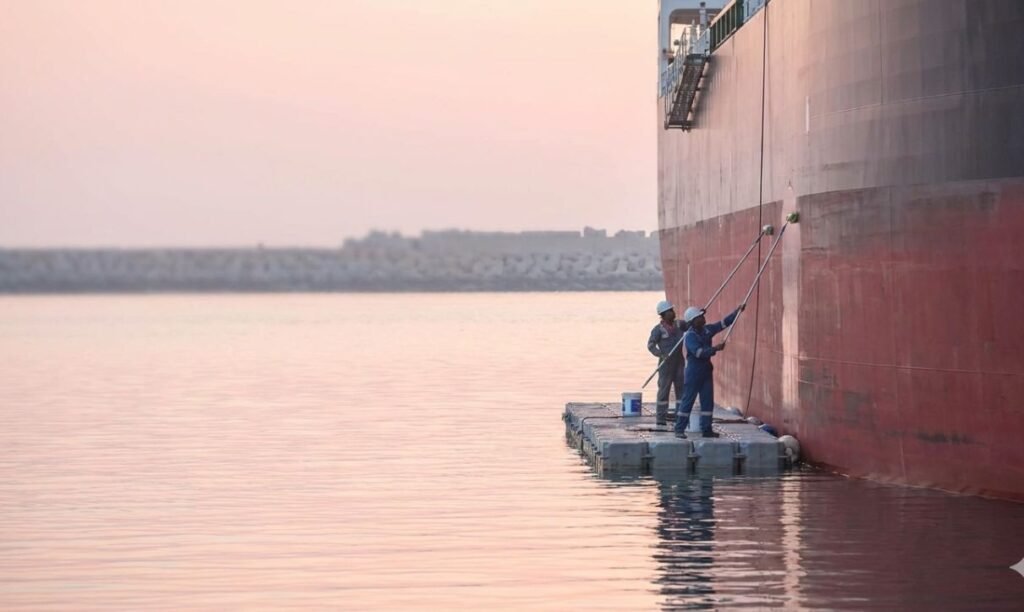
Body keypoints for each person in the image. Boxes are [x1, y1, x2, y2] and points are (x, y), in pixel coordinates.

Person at [675, 304, 744, 437]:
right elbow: (699, 353)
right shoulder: (690, 336)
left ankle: (707, 430)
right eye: (699, 317)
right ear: (692, 322)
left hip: (706, 371)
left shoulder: (707, 330)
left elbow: (723, 324)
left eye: (702, 315)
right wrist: (715, 349)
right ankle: (679, 429)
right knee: (688, 401)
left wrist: (737, 311)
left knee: (707, 402)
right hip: (694, 373)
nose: (703, 317)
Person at [648, 300, 687, 427]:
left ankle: (679, 416)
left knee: (681, 390)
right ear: (663, 314)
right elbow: (651, 345)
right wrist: (660, 354)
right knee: (664, 391)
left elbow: (692, 324)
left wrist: (698, 315)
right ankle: (661, 418)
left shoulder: (680, 325)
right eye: (670, 311)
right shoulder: (657, 330)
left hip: (679, 362)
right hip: (665, 363)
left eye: (672, 310)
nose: (673, 313)